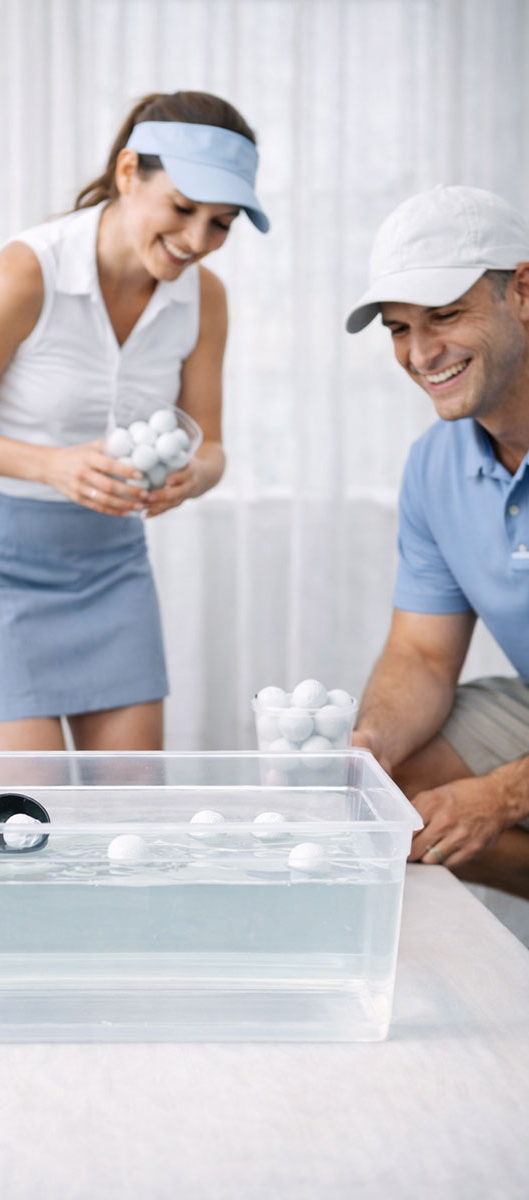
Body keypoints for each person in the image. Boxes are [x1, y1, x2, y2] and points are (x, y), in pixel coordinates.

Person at [0, 90, 267, 752]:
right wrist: (54, 464)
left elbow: (210, 444)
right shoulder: (25, 272)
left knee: (129, 801)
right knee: (36, 808)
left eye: (222, 224)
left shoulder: (205, 299)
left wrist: (194, 478)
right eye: (184, 209)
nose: (197, 241)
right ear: (129, 173)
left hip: (109, 566)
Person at [346, 184, 529, 899]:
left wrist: (503, 796)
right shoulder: (435, 462)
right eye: (398, 328)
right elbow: (421, 652)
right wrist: (370, 746)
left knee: (477, 802)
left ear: (522, 290)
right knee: (394, 797)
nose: (421, 354)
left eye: (445, 316)